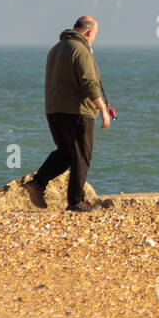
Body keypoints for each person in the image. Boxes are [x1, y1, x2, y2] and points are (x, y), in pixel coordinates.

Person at [28, 16, 112, 211]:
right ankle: (76, 201)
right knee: (82, 155)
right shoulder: (80, 50)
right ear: (89, 32)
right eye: (95, 35)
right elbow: (89, 84)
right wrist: (103, 109)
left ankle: (38, 183)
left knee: (66, 154)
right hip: (77, 112)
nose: (94, 39)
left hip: (54, 110)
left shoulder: (56, 49)